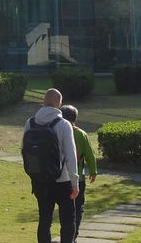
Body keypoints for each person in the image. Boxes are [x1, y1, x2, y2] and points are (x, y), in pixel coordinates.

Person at [25, 88, 79, 243]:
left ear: (43, 102)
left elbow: (25, 151)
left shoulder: (30, 122)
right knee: (68, 221)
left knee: (44, 220)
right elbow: (70, 156)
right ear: (60, 104)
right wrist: (75, 183)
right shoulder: (64, 124)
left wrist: (35, 174)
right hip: (63, 181)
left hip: (40, 181)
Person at [61, 104, 98, 243]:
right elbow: (89, 155)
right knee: (78, 207)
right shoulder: (81, 134)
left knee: (65, 209)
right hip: (79, 178)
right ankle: (73, 236)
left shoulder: (58, 131)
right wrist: (93, 171)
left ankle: (66, 236)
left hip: (61, 178)